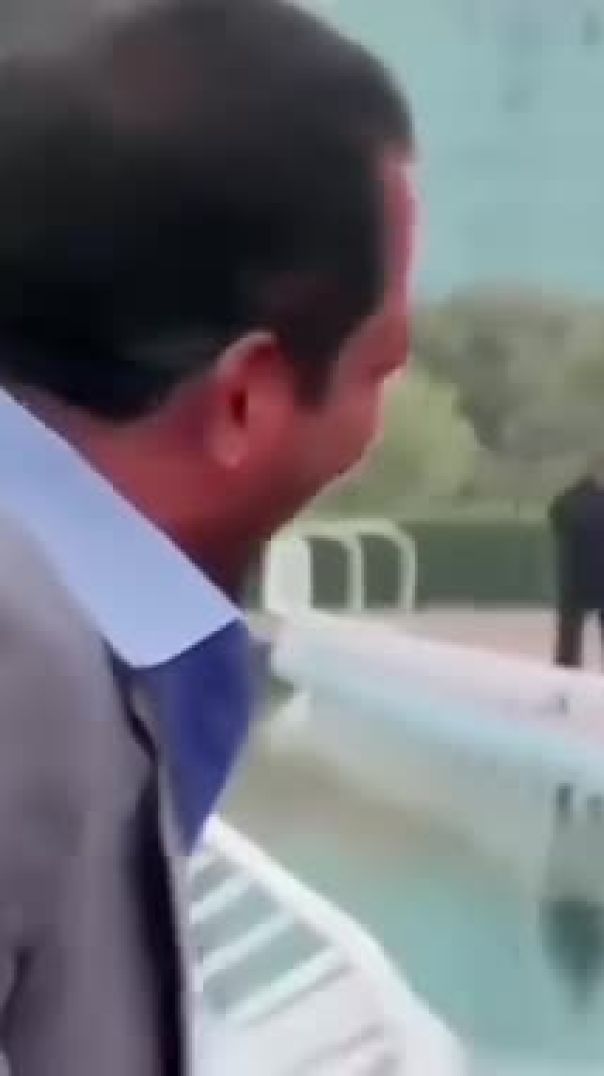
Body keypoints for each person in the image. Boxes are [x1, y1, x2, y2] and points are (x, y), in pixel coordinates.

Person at [0, 1, 416, 1073]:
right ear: (243, 401)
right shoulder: (25, 661)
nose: (376, 425)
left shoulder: (98, 662)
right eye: (379, 368)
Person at [549, 457, 604, 667]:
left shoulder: (568, 501)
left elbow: (555, 517)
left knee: (568, 641)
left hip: (574, 578)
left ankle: (566, 675)